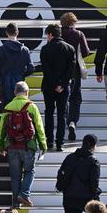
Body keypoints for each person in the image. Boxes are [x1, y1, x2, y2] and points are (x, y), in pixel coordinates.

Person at [0, 81, 48, 208]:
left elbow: (1, 128)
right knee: (29, 171)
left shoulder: (8, 107)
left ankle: (15, 203)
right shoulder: (31, 106)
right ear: (27, 92)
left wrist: (1, 146)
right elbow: (39, 128)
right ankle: (24, 194)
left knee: (15, 175)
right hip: (28, 146)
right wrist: (43, 145)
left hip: (12, 146)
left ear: (15, 92)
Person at [39, 23, 76, 152]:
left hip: (49, 86)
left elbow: (46, 70)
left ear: (50, 34)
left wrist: (55, 84)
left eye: (47, 36)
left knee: (49, 112)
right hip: (64, 88)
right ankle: (60, 143)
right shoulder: (70, 48)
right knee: (62, 114)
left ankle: (49, 141)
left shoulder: (45, 49)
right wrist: (62, 84)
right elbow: (71, 69)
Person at [58, 134, 102, 213]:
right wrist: (96, 196)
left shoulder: (70, 157)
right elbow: (94, 182)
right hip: (86, 198)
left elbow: (61, 174)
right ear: (93, 146)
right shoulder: (93, 161)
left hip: (69, 197)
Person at [59, 12, 90, 141]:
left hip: (60, 71)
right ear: (73, 22)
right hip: (74, 71)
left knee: (63, 97)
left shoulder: (58, 34)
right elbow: (86, 52)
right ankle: (72, 122)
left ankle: (64, 120)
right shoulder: (78, 34)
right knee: (75, 97)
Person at [0, 22, 35, 106]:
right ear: (17, 32)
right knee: (20, 113)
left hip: (5, 88)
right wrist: (21, 74)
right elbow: (31, 68)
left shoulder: (0, 50)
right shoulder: (25, 50)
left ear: (6, 33)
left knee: (7, 114)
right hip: (20, 88)